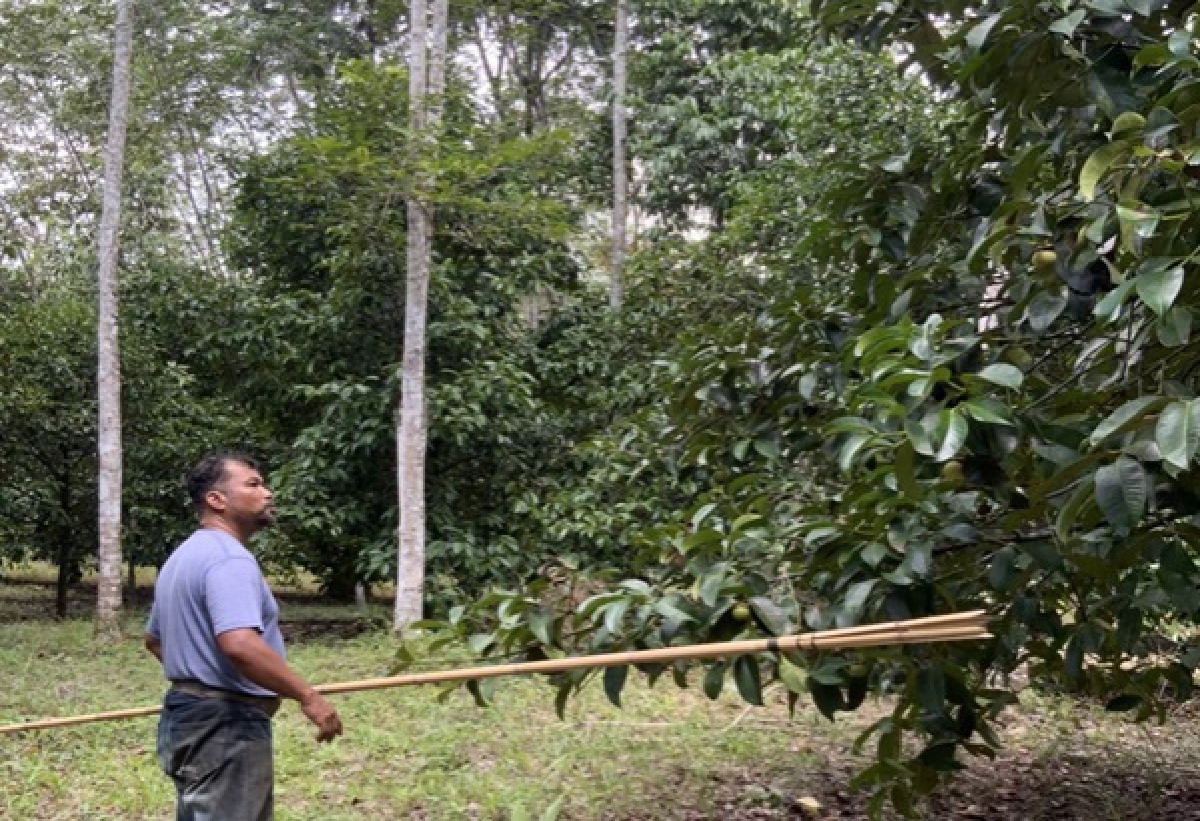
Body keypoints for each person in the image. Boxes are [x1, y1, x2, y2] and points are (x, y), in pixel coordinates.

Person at [145, 451, 343, 821]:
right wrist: (308, 696)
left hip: (187, 718)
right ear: (216, 500)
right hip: (226, 726)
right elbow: (240, 643)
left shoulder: (182, 557)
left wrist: (199, 675)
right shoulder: (229, 559)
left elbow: (154, 640)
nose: (267, 493)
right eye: (253, 485)